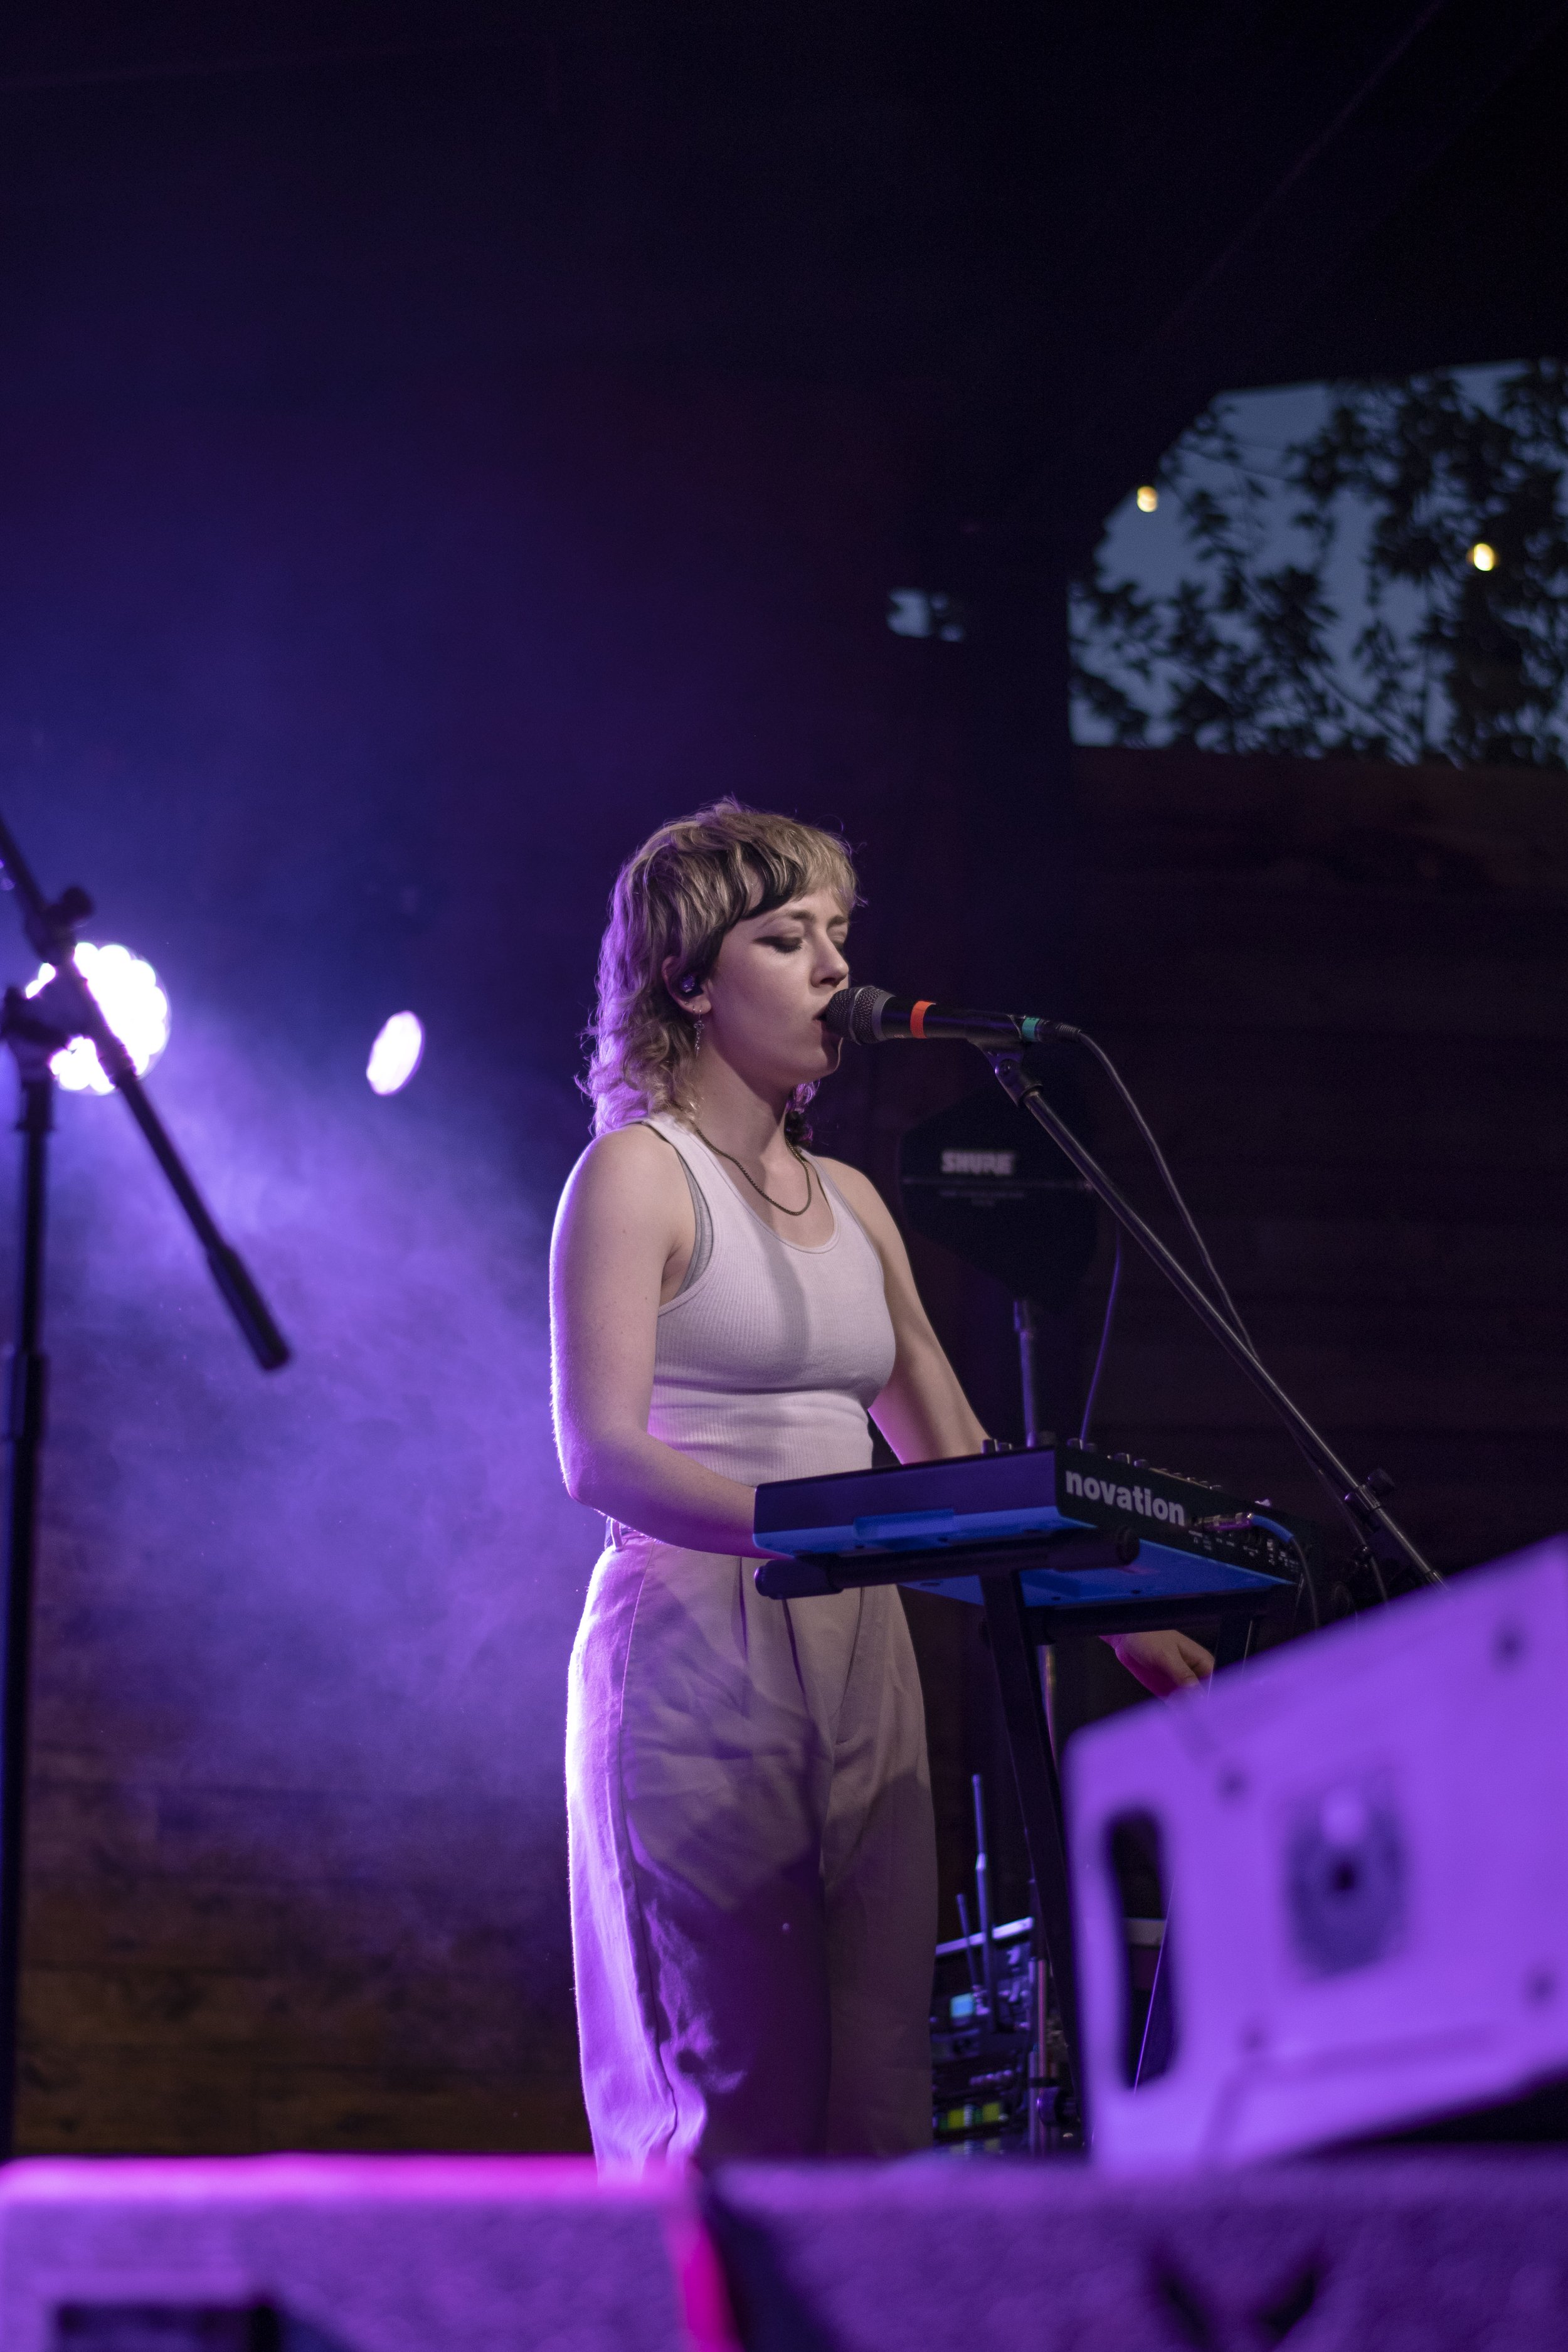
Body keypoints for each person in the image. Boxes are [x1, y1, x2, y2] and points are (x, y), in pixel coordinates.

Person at [550, 798, 1210, 2168]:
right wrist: (837, 1532)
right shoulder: (633, 1174)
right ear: (686, 977)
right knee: (724, 2083)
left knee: (874, 2090)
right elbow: (598, 1454)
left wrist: (1116, 1615)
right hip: (693, 1634)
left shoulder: (852, 1198)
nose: (834, 969)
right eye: (785, 938)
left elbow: (957, 1455)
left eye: (838, 935)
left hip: (861, 1641)